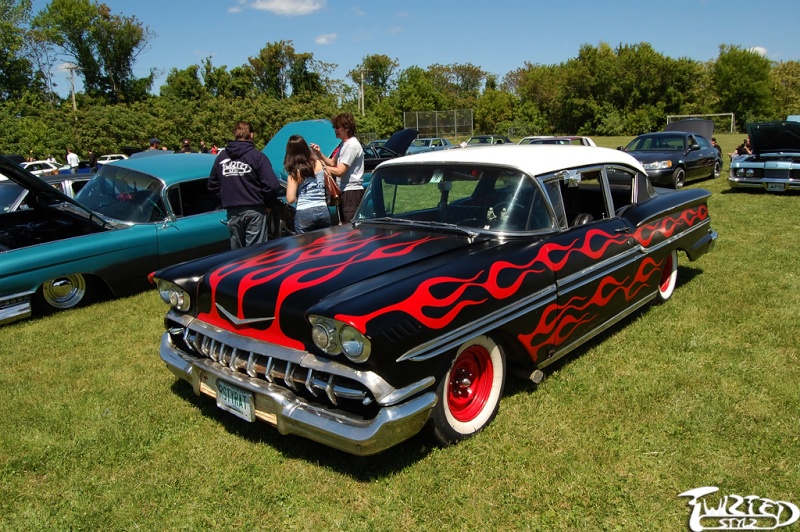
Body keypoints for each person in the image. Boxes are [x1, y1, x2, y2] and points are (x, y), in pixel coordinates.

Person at [208, 121, 280, 249]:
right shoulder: (257, 157)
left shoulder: (221, 157)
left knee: (238, 256)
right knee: (256, 253)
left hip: (233, 211)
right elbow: (272, 185)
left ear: (235, 134)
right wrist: (268, 204)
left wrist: (226, 199)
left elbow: (212, 184)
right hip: (254, 209)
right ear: (251, 135)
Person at [310, 112, 364, 223]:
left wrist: (319, 167)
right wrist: (319, 154)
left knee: (350, 227)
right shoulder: (344, 144)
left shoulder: (352, 146)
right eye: (334, 127)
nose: (335, 129)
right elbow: (332, 163)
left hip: (351, 193)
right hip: (344, 191)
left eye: (337, 127)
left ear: (347, 128)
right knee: (344, 225)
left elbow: (340, 171)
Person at [284, 134, 331, 233]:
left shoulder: (295, 172)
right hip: (323, 209)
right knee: (325, 245)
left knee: (305, 247)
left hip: (304, 211)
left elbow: (290, 199)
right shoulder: (319, 163)